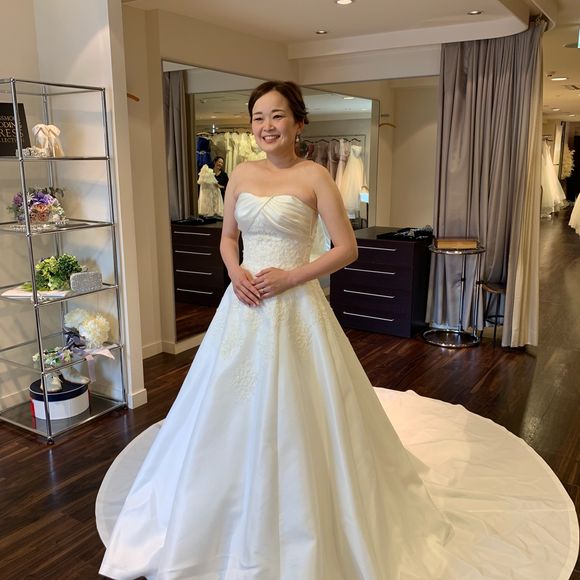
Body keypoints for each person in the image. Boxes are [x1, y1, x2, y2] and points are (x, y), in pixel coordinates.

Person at [99, 81, 453, 579]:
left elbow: (346, 248)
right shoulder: (242, 173)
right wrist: (235, 271)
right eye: (258, 117)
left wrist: (292, 276)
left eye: (278, 116)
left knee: (306, 406)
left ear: (299, 123)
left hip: (295, 302)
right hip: (243, 302)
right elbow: (228, 237)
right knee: (222, 399)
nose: (267, 126)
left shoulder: (316, 176)